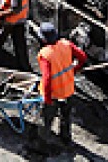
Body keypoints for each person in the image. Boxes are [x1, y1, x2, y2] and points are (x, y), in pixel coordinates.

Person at [36, 22, 88, 151]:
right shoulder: (66, 44)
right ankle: (66, 139)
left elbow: (47, 79)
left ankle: (42, 146)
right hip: (68, 90)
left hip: (53, 94)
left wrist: (47, 98)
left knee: (46, 120)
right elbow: (82, 57)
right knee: (66, 117)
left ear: (43, 39)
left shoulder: (45, 54)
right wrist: (74, 70)